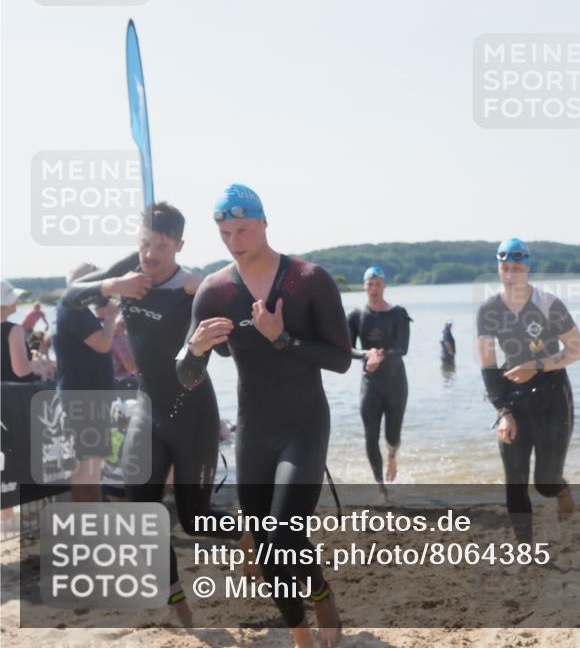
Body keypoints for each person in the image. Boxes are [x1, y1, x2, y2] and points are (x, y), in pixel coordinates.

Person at [61, 202, 254, 625]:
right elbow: (72, 298)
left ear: (179, 246)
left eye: (161, 246)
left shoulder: (195, 288)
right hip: (149, 411)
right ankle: (175, 599)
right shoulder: (132, 272)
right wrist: (116, 285)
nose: (150, 254)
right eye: (146, 243)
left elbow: (224, 348)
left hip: (193, 413)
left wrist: (208, 312)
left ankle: (245, 535)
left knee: (195, 519)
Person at [177, 184, 351, 647]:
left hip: (304, 425)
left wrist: (282, 339)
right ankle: (303, 631)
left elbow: (340, 359)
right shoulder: (215, 291)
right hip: (254, 433)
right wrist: (193, 350)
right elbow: (187, 376)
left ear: (264, 223)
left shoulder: (307, 279)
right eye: (224, 231)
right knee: (269, 545)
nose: (234, 239)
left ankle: (322, 602)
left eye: (243, 228)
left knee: (281, 535)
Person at [477, 238, 580, 544]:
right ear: (498, 269)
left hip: (553, 398)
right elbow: (487, 365)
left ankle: (561, 491)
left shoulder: (549, 303)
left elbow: (576, 350)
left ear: (527, 268)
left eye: (516, 268)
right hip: (513, 401)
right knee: (515, 482)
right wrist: (503, 412)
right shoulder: (488, 310)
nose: (510, 275)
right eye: (505, 268)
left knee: (545, 483)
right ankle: (524, 550)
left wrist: (535, 366)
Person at [53, 264, 118, 503]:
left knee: (91, 466)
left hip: (86, 398)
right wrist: (111, 318)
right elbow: (102, 344)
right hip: (85, 399)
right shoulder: (74, 309)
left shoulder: (72, 309)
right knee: (88, 467)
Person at [348, 265, 411, 496]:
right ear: (365, 286)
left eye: (378, 284)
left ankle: (392, 457)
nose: (374, 289)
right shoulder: (357, 315)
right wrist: (366, 354)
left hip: (395, 384)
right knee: (370, 434)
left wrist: (380, 354)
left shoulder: (398, 313)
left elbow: (402, 348)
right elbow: (347, 348)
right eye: (370, 284)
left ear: (384, 285)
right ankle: (380, 484)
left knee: (392, 434)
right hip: (370, 383)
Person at [2, 280, 35, 383]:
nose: (16, 301)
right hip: (11, 392)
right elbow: (21, 371)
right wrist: (38, 364)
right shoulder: (14, 330)